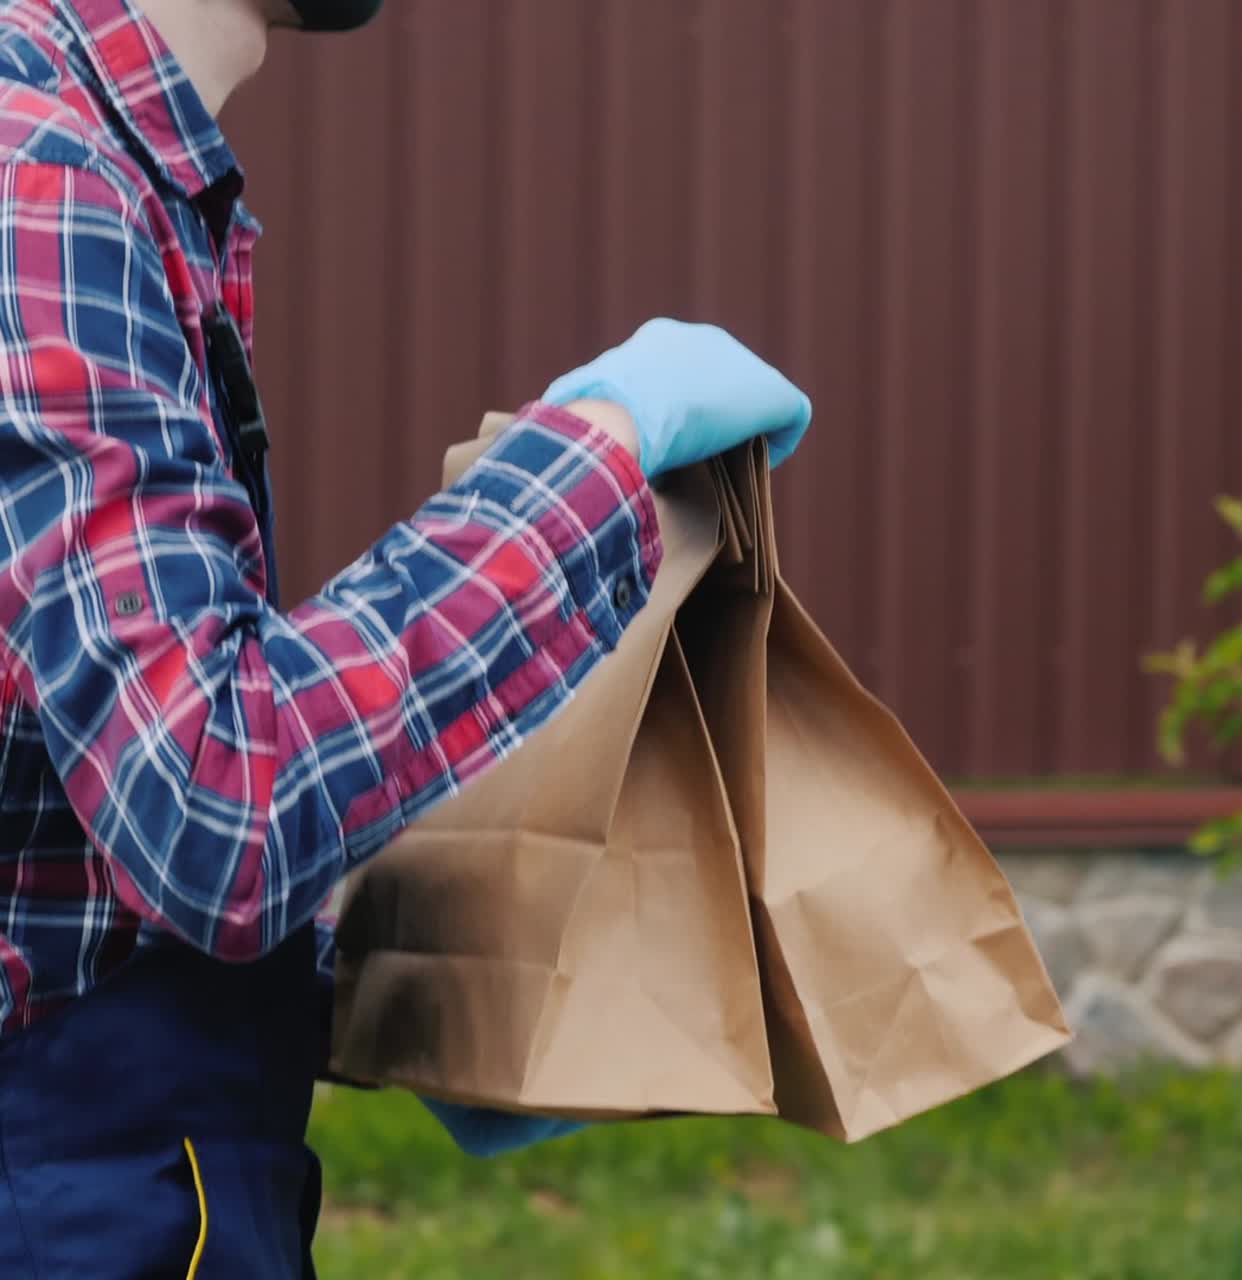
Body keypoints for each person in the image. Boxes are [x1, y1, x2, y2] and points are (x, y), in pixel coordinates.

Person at [0, 0, 812, 1275]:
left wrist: (410, 976)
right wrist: (600, 460)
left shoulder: (99, 166)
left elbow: (63, 831)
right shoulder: (39, 179)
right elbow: (216, 799)